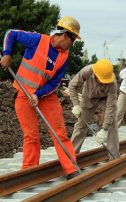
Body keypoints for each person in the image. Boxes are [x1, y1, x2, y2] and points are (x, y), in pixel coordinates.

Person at [0, 16, 81, 180]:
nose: (72, 45)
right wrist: (7, 54)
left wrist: (37, 94)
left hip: (45, 95)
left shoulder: (64, 57)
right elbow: (11, 33)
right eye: (73, 40)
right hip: (23, 93)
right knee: (31, 135)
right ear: (66, 36)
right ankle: (29, 172)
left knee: (59, 133)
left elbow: (55, 83)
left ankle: (71, 169)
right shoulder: (38, 40)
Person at [68, 59, 120, 160]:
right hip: (88, 96)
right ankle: (70, 157)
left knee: (112, 124)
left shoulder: (112, 82)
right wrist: (76, 104)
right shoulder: (87, 71)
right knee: (81, 124)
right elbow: (72, 85)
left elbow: (110, 106)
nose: (103, 82)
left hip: (105, 98)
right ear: (95, 74)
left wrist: (104, 129)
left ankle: (114, 158)